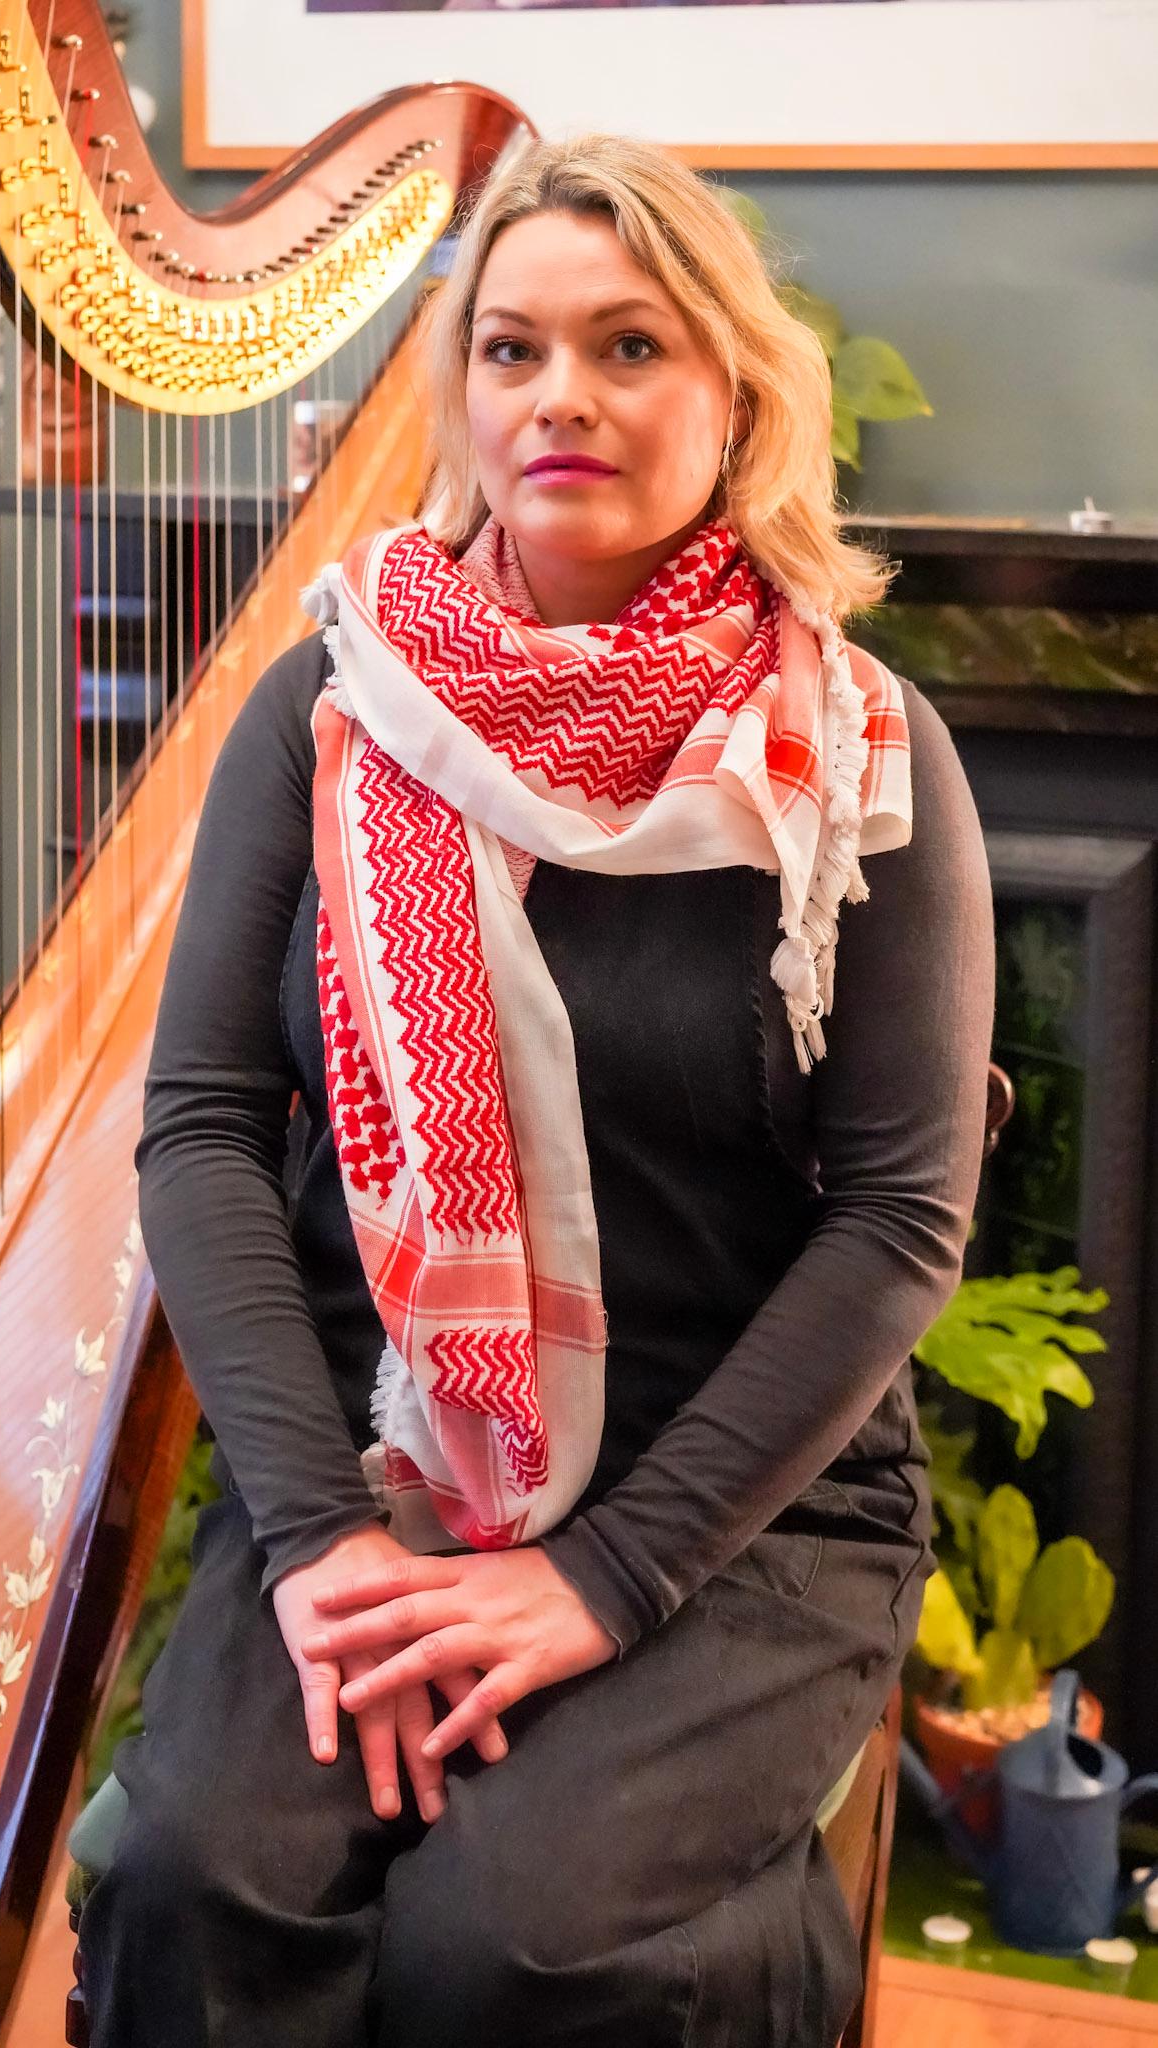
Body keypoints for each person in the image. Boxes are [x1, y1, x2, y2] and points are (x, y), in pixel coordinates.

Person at [80, 133, 996, 2047]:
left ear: (737, 395)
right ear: (463, 389)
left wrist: (604, 1575)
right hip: (382, 1462)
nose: (559, 395)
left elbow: (899, 1218)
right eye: (511, 348)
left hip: (734, 1500)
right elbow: (205, 1130)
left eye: (628, 345)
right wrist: (320, 1539)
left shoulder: (858, 750)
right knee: (202, 1880)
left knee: (513, 1943)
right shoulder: (331, 708)